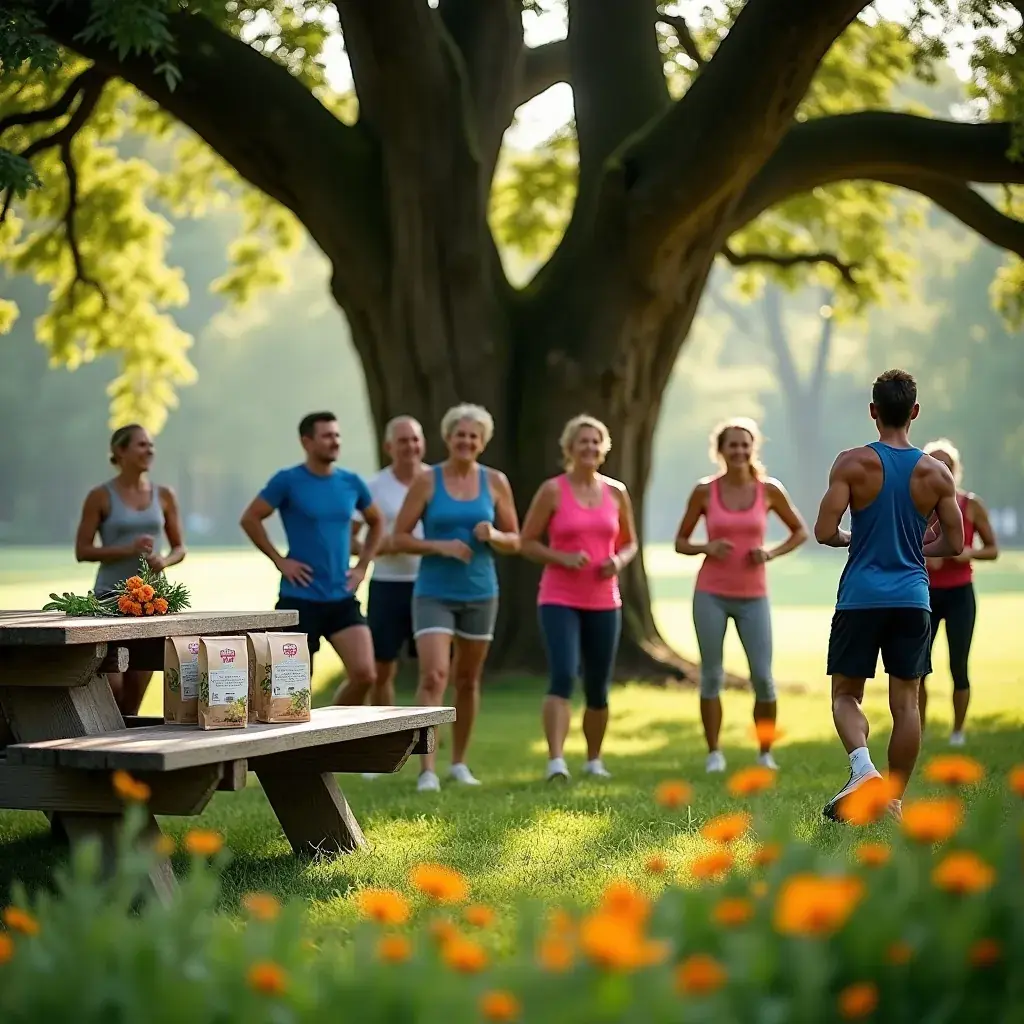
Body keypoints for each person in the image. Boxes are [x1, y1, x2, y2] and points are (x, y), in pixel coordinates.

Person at [814, 370, 964, 822]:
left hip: (860, 598)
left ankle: (863, 768)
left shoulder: (851, 463)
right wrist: (916, 546)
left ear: (873, 411)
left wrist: (851, 538)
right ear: (914, 411)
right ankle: (894, 800)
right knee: (906, 703)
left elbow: (824, 531)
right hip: (912, 599)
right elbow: (954, 542)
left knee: (845, 695)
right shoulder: (936, 472)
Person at [391, 403, 520, 792]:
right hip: (434, 592)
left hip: (481, 591)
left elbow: (516, 540)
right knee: (434, 675)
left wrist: (494, 536)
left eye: (473, 436)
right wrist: (440, 546)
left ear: (483, 442)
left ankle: (459, 764)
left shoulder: (495, 481)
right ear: (448, 438)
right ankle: (427, 769)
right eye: (459, 435)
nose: (466, 441)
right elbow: (399, 537)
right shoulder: (427, 481)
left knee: (467, 679)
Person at [674, 417, 808, 774]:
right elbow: (681, 542)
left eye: (745, 445)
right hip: (711, 593)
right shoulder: (705, 491)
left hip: (753, 595)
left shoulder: (769, 490)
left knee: (762, 677)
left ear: (754, 448)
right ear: (720, 451)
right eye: (732, 445)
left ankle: (765, 753)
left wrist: (770, 553)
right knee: (711, 675)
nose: (739, 451)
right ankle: (714, 753)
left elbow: (799, 532)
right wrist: (707, 547)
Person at [520, 415, 639, 782]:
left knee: (598, 685)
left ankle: (593, 760)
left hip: (604, 600)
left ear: (603, 449)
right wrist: (562, 558)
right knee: (563, 674)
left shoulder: (616, 492)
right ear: (569, 448)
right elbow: (527, 542)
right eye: (582, 441)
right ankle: (556, 761)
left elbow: (630, 542)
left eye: (595, 441)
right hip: (559, 597)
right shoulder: (552, 491)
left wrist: (617, 561)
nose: (589, 447)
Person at [240, 412, 384, 703]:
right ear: (307, 442)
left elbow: (377, 521)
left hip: (341, 596)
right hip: (299, 599)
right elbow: (250, 518)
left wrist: (362, 566)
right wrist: (280, 560)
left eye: (337, 435)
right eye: (327, 436)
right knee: (294, 690)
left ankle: (336, 727)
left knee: (366, 675)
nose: (335, 441)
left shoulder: (351, 482)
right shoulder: (287, 481)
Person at [74, 424, 187, 715]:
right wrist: (128, 549)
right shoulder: (100, 496)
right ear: (120, 451)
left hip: (151, 603)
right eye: (141, 445)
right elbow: (82, 551)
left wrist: (165, 561)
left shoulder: (164, 495)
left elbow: (179, 548)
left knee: (135, 693)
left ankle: (128, 743)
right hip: (109, 601)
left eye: (151, 445)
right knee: (112, 687)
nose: (149, 450)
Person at [350, 415, 429, 779]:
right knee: (383, 669)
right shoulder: (374, 487)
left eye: (415, 439)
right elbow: (350, 539)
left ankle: (428, 755)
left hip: (430, 585)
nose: (410, 447)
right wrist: (379, 548)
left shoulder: (434, 480)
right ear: (388, 447)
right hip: (388, 585)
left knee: (433, 672)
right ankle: (382, 747)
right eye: (402, 441)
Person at [920, 438, 999, 746]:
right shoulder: (916, 507)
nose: (942, 470)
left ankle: (957, 732)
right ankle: (919, 730)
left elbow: (992, 549)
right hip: (924, 595)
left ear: (956, 470)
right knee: (917, 668)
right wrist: (924, 555)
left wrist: (968, 553)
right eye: (935, 464)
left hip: (959, 594)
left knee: (958, 665)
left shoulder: (971, 504)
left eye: (948, 465)